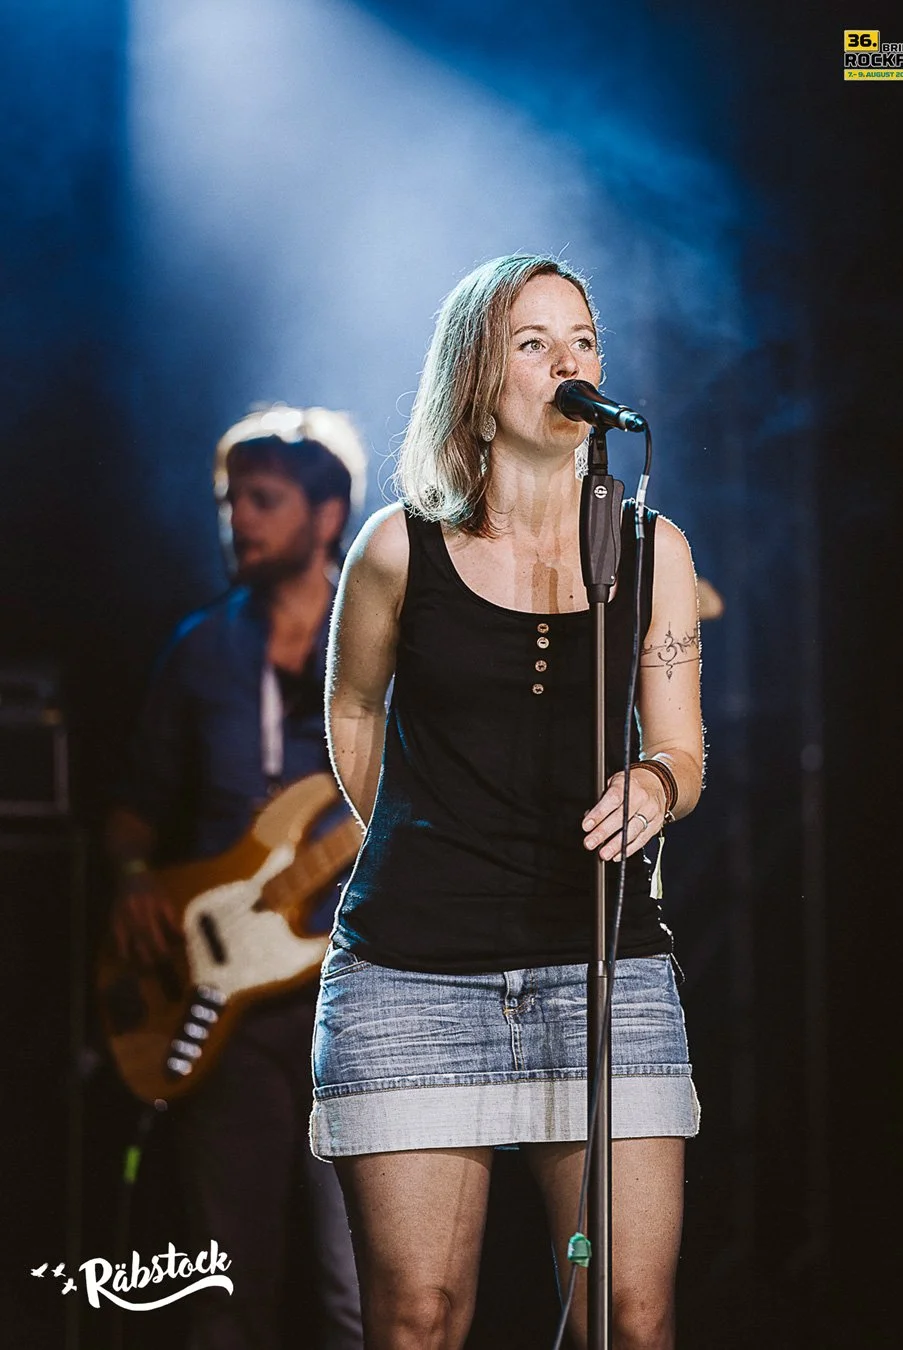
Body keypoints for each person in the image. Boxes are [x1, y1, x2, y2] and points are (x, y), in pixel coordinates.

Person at [313, 256, 704, 1350]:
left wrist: (658, 783)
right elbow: (351, 710)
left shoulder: (649, 547)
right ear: (478, 381)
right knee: (419, 1318)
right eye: (532, 343)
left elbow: (683, 746)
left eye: (581, 339)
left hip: (603, 962)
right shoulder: (397, 546)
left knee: (630, 1316)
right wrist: (427, 835)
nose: (567, 362)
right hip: (411, 974)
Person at [106, 406, 366, 1350]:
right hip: (222, 1011)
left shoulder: (383, 646)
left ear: (327, 516)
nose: (238, 520)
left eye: (262, 500)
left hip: (358, 1001)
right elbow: (134, 805)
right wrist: (135, 877)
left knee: (363, 1300)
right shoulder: (200, 649)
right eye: (229, 501)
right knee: (222, 1300)